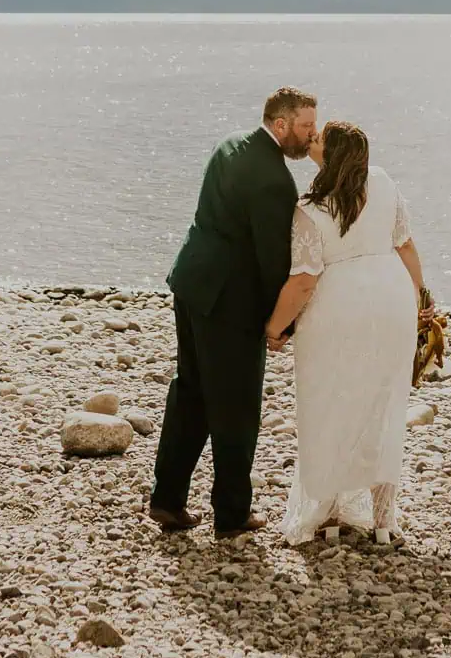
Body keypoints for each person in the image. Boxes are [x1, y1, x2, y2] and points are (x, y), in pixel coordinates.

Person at [149, 87, 318, 537]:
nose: (311, 135)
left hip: (191, 282)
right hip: (228, 303)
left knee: (191, 391)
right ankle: (232, 514)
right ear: (280, 124)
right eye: (305, 126)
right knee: (237, 407)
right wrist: (280, 324)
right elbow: (272, 262)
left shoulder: (230, 143)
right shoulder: (274, 180)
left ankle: (166, 500)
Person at [265, 120, 430, 545]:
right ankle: (382, 521)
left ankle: (327, 515)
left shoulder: (310, 206)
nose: (312, 140)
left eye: (318, 139)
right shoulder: (385, 184)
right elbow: (406, 247)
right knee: (383, 407)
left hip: (338, 307)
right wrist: (420, 301)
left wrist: (275, 326)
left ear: (330, 154)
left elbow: (304, 279)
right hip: (392, 300)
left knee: (330, 403)